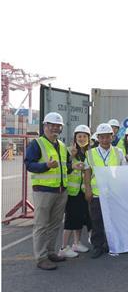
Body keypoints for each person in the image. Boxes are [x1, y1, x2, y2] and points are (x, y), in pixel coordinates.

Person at [25, 112, 78, 270]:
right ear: (45, 126)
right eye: (51, 125)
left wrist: (73, 166)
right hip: (44, 191)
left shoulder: (61, 146)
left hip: (61, 191)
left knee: (55, 224)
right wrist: (46, 166)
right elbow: (29, 165)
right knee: (41, 225)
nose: (55, 128)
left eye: (58, 126)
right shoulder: (37, 144)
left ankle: (50, 252)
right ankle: (41, 258)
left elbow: (65, 167)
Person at [84, 123, 127, 259]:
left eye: (107, 137)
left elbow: (123, 172)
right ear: (97, 138)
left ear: (112, 137)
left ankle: (112, 244)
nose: (104, 140)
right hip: (97, 194)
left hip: (113, 193)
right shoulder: (90, 153)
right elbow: (87, 173)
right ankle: (98, 246)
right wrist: (88, 190)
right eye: (101, 137)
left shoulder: (118, 152)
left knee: (114, 220)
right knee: (96, 221)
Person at [59, 125, 93, 259]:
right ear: (75, 138)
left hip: (84, 191)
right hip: (72, 191)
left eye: (85, 136)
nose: (82, 138)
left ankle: (76, 243)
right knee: (70, 220)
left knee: (79, 218)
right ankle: (63, 247)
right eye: (79, 136)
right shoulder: (69, 151)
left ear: (89, 138)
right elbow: (63, 169)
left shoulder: (90, 153)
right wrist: (71, 160)